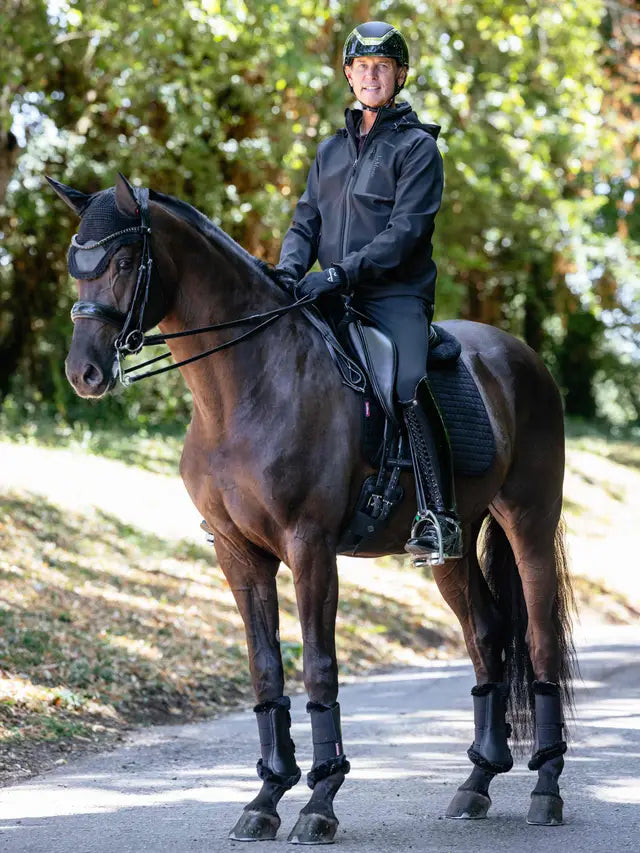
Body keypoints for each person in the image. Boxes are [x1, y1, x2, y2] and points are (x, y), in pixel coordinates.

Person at [275, 21, 462, 564]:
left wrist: (341, 274)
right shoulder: (330, 151)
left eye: (382, 67)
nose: (371, 75)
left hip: (393, 295)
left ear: (399, 75)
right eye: (361, 67)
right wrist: (290, 272)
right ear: (348, 75)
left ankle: (438, 513)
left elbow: (406, 232)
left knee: (404, 380)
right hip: (331, 292)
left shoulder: (418, 148)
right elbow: (304, 221)